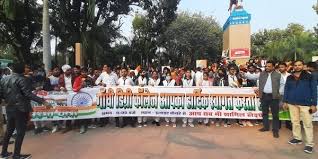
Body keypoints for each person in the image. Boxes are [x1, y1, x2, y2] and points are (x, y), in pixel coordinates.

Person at [0, 63, 50, 159]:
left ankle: (4, 153)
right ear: (22, 69)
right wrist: (43, 101)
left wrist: (7, 101)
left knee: (9, 131)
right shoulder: (22, 79)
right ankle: (16, 155)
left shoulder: (4, 79)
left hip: (9, 108)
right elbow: (28, 94)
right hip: (21, 109)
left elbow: (1, 94)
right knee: (20, 132)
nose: (27, 69)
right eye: (26, 67)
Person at [283, 60, 317, 154]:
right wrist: (285, 101)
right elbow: (286, 89)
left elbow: (314, 90)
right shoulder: (290, 77)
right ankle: (297, 138)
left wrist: (314, 104)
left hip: (305, 104)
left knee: (307, 124)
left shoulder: (310, 76)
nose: (297, 67)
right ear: (293, 66)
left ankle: (309, 144)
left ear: (303, 66)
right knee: (295, 122)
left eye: (299, 65)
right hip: (292, 103)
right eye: (295, 65)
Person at [257, 61, 283, 138]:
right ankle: (266, 127)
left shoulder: (278, 75)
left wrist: (279, 93)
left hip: (274, 97)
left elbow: (282, 84)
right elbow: (259, 82)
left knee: (275, 114)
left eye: (269, 66)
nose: (267, 68)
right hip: (264, 96)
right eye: (266, 66)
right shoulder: (262, 74)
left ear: (273, 67)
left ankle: (275, 130)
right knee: (264, 113)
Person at [73, 66, 94, 134]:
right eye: (82, 72)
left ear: (87, 72)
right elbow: (74, 89)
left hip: (89, 99)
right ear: (81, 72)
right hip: (80, 99)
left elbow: (94, 87)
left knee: (88, 111)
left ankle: (87, 124)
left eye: (85, 72)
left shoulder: (90, 79)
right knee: (82, 112)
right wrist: (81, 86)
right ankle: (82, 126)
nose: (84, 73)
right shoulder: (77, 79)